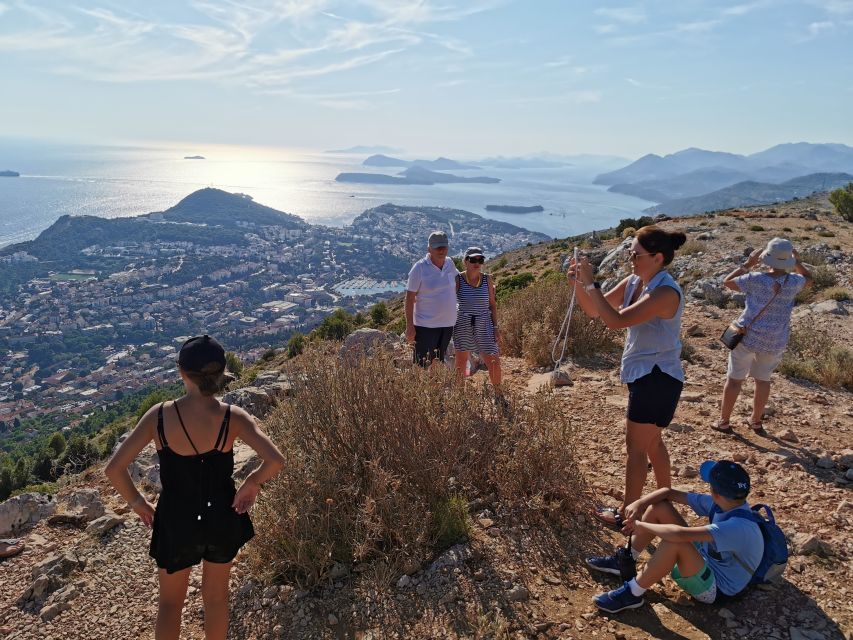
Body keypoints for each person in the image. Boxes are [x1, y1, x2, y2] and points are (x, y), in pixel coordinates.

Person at [105, 335, 284, 640]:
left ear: (181, 372)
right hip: (222, 518)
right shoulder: (233, 417)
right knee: (216, 599)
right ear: (222, 372)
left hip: (176, 521)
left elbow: (114, 469)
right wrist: (251, 483)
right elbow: (275, 460)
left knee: (170, 603)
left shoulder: (159, 417)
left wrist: (137, 502)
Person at [569, 226, 687, 529]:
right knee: (652, 443)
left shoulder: (664, 292)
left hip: (657, 379)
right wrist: (579, 285)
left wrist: (592, 283)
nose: (631, 259)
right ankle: (664, 498)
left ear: (658, 258)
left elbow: (616, 321)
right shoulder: (636, 281)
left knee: (635, 450)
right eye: (630, 253)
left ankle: (626, 516)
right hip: (649, 377)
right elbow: (595, 311)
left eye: (636, 254)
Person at [587, 460, 764, 613]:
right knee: (659, 507)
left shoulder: (739, 528)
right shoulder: (725, 503)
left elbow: (679, 535)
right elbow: (667, 492)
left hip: (718, 588)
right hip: (706, 559)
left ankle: (633, 593)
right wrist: (640, 503)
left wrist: (639, 525)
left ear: (716, 493)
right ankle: (625, 560)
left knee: (675, 542)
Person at [714, 238, 811, 434]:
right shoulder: (794, 282)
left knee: (734, 380)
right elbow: (809, 280)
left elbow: (727, 282)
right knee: (763, 380)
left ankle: (724, 422)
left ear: (767, 257)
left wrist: (747, 265)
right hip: (774, 340)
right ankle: (756, 421)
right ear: (788, 260)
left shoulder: (755, 278)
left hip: (747, 336)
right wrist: (797, 262)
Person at [405, 231, 460, 367]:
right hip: (425, 326)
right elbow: (409, 298)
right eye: (437, 247)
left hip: (447, 325)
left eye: (444, 247)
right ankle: (419, 388)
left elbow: (460, 281)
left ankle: (434, 388)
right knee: (422, 364)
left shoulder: (449, 264)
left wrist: (483, 282)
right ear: (429, 248)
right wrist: (410, 327)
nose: (441, 250)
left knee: (437, 362)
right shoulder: (419, 268)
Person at [452, 247, 502, 391]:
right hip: (463, 325)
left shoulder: (487, 279)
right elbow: (449, 302)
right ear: (465, 261)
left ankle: (498, 394)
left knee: (493, 360)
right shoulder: (458, 279)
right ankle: (459, 396)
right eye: (473, 259)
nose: (477, 263)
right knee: (461, 362)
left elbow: (492, 305)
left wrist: (495, 328)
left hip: (484, 325)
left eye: (480, 260)